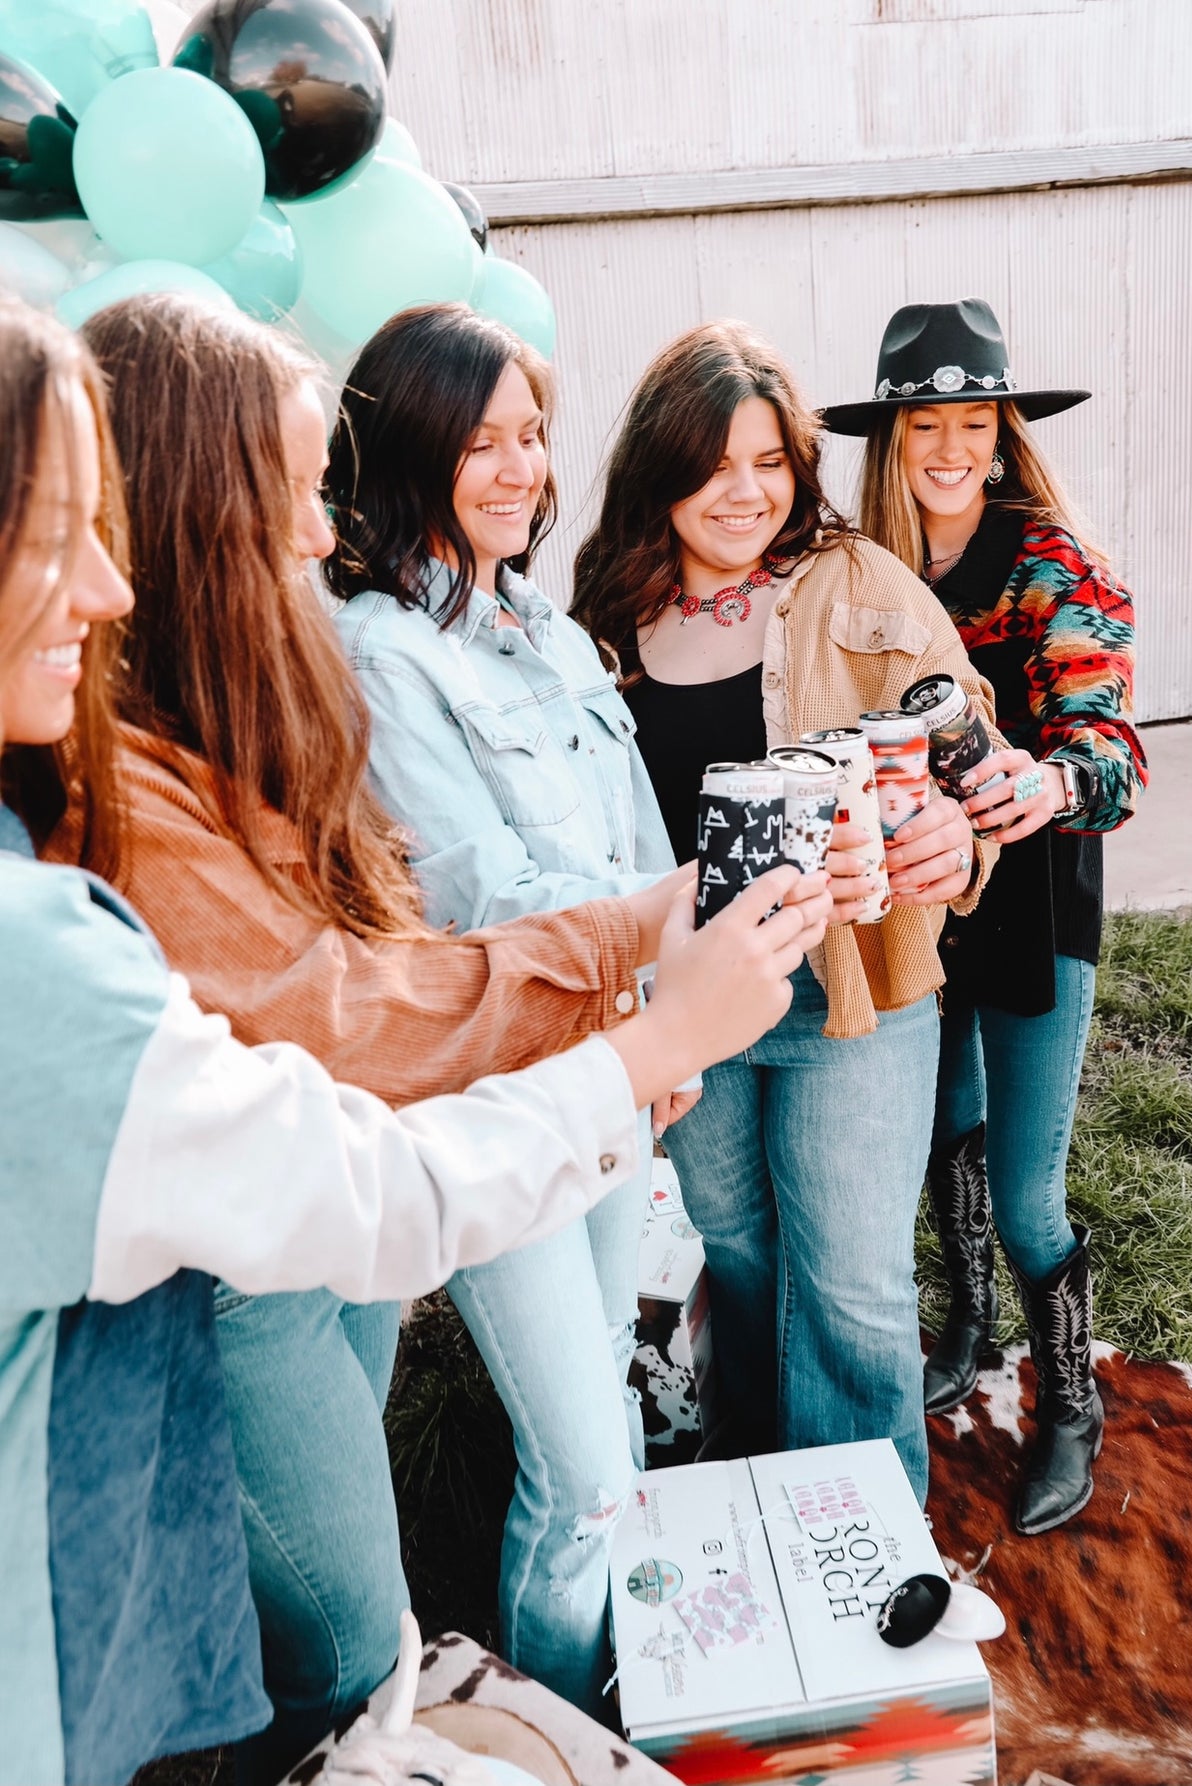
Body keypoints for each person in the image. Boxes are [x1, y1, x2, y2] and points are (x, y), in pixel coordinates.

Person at [0, 296, 818, 1786]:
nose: (320, 535)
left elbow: (386, 968)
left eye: (531, 437)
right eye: (291, 496)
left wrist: (651, 954)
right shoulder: (114, 829)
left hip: (363, 1206)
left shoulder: (262, 710)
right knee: (365, 1644)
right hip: (271, 1261)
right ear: (203, 506)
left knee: (309, 1638)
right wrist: (640, 1017)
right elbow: (360, 1056)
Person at [326, 304, 830, 1713]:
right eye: (477, 441)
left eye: (532, 435)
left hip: (611, 1059)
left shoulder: (538, 621)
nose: (515, 467)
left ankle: (609, 1692)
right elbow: (486, 893)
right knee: (591, 1467)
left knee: (605, 1400)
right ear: (408, 450)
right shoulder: (379, 650)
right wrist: (664, 968)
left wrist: (657, 1036)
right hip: (498, 1089)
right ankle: (556, 1716)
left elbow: (626, 829)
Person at [572, 320, 998, 1503]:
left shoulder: (860, 580)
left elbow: (970, 753)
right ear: (662, 472)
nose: (744, 492)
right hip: (696, 998)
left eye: (769, 463)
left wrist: (954, 836)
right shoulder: (606, 614)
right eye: (714, 466)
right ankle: (760, 1495)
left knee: (853, 1280)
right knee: (743, 1254)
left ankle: (863, 1542)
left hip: (849, 985)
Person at [825, 297, 1147, 1533]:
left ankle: (1068, 1397)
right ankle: (964, 1321)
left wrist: (1049, 776)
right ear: (892, 442)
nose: (951, 447)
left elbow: (1110, 749)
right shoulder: (866, 567)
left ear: (1007, 433)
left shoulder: (1055, 565)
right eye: (926, 425)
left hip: (1036, 900)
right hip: (915, 898)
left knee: (1026, 1187)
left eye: (976, 421)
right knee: (941, 1132)